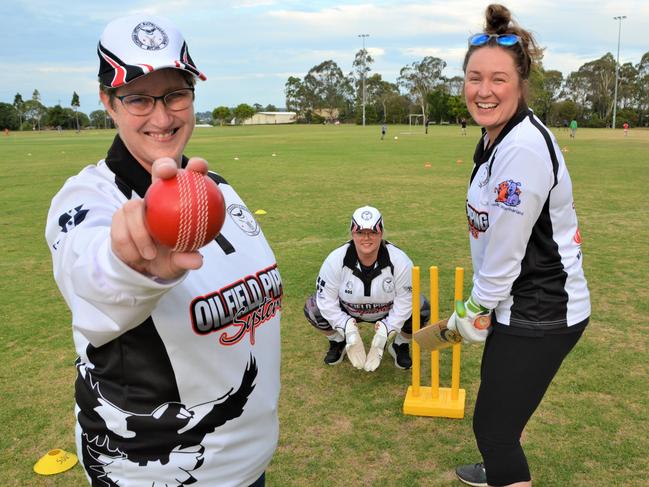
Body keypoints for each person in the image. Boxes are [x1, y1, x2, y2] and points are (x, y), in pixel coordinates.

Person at [45, 15, 280, 487]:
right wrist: (131, 266)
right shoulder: (89, 200)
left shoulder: (215, 189)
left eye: (176, 93)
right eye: (137, 98)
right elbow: (90, 283)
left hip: (247, 466)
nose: (163, 116)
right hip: (156, 472)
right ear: (107, 103)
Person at [447, 5, 591, 487]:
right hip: (518, 304)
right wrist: (487, 307)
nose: (483, 91)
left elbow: (505, 253)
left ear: (520, 83)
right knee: (500, 403)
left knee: (493, 428)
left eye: (497, 79)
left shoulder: (522, 149)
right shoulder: (495, 136)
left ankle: (502, 465)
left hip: (541, 309)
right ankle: (499, 469)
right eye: (473, 77)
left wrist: (475, 307)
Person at [303, 206, 430, 371]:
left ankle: (400, 344)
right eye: (360, 233)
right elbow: (326, 300)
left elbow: (405, 301)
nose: (367, 238)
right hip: (349, 311)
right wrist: (347, 328)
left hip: (386, 311)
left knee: (421, 307)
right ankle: (338, 341)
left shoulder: (400, 261)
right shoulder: (335, 260)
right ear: (352, 234)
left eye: (373, 232)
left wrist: (386, 330)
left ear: (381, 233)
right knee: (313, 307)